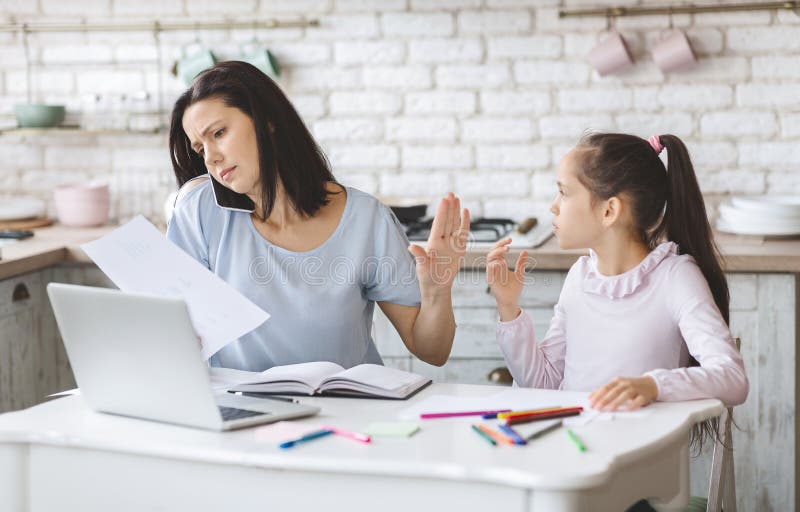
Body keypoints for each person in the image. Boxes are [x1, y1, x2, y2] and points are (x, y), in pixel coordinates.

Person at [166, 61, 469, 371]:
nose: (211, 158)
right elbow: (170, 329)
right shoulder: (199, 212)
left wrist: (437, 291)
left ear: (267, 120)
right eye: (200, 148)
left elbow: (433, 351)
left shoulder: (366, 220)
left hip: (347, 411)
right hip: (245, 414)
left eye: (219, 133)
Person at [486, 132, 748, 411]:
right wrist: (508, 307)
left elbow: (732, 378)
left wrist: (653, 386)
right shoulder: (580, 278)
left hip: (643, 452)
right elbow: (543, 385)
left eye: (563, 193)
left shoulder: (675, 278)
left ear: (609, 211)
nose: (553, 206)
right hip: (576, 445)